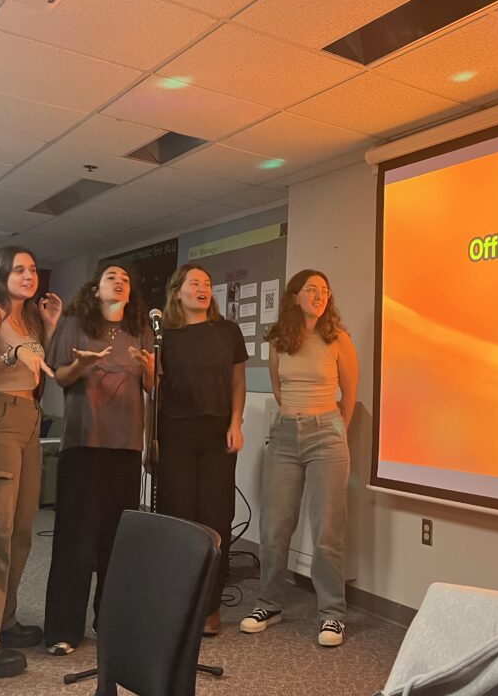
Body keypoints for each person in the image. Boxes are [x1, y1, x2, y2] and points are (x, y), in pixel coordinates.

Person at [240, 269, 358, 647]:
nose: (319, 295)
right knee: (274, 527)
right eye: (311, 289)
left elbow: (350, 395)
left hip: (328, 435)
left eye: (325, 290)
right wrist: (295, 419)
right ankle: (268, 603)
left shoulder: (339, 339)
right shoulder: (280, 340)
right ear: (294, 296)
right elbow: (278, 388)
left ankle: (332, 615)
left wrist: (334, 428)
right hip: (286, 434)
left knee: (327, 531)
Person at [42, 264, 153, 655]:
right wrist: (83, 363)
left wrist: (151, 370)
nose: (119, 281)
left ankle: (111, 622)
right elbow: (60, 378)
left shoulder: (141, 328)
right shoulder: (74, 324)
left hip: (125, 446)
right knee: (75, 538)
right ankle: (62, 629)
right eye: (111, 276)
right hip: (84, 444)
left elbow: (152, 385)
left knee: (117, 540)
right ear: (95, 289)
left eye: (125, 277)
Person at [0, 247, 62, 676]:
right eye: (18, 269)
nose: (28, 275)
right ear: (0, 273)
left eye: (33, 269)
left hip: (28, 420)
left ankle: (3, 619)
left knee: (22, 532)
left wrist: (51, 329)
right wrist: (10, 355)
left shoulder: (30, 317)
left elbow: (36, 370)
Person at [154, 264, 247, 636]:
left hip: (217, 434)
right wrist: (151, 442)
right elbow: (154, 392)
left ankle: (210, 606)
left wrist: (236, 423)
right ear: (178, 292)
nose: (202, 288)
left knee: (216, 517)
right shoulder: (165, 335)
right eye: (194, 283)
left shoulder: (228, 331)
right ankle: (177, 599)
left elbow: (238, 381)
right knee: (178, 515)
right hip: (174, 432)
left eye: (207, 283)